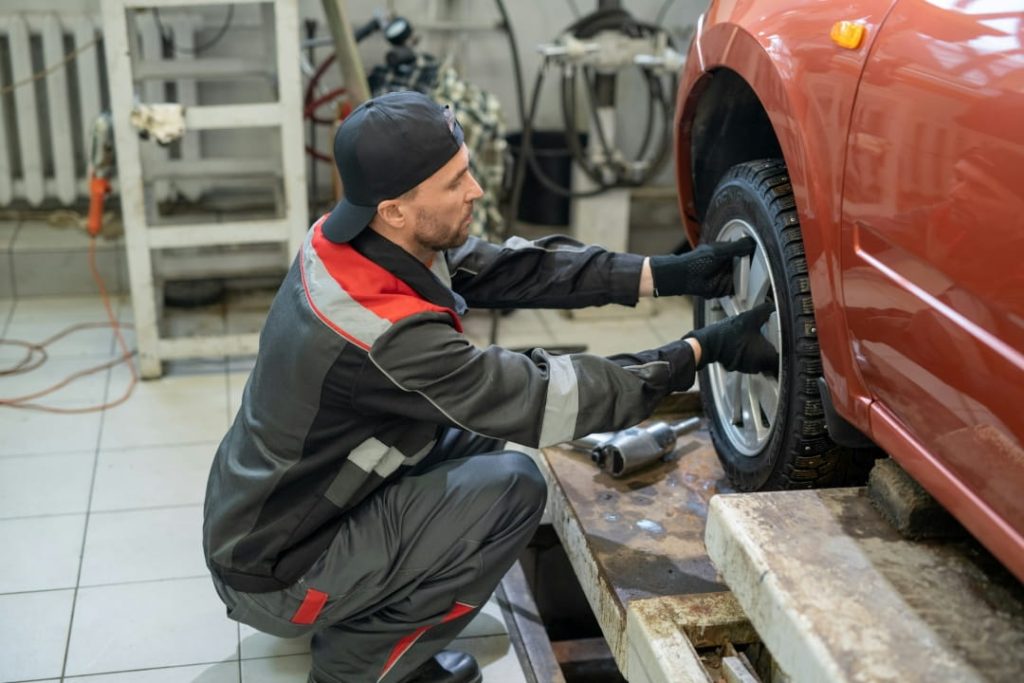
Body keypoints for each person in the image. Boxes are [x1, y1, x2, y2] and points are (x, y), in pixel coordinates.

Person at [202, 91, 777, 683]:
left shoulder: (353, 239)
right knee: (511, 489)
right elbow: (544, 400)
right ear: (396, 208)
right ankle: (358, 665)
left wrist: (663, 274)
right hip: (277, 570)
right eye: (454, 183)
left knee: (476, 437)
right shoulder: (381, 331)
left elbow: (512, 268)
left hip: (276, 511)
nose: (475, 189)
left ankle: (364, 599)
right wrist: (695, 354)